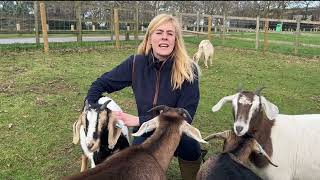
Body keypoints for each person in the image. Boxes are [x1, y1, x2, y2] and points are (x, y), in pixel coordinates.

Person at [86, 13, 202, 180]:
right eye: (159, 32)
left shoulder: (189, 71)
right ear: (149, 38)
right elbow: (99, 84)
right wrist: (89, 107)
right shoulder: (135, 64)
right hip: (145, 132)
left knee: (192, 147)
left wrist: (140, 120)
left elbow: (184, 117)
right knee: (135, 161)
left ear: (176, 40)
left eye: (170, 34)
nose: (164, 37)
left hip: (174, 131)